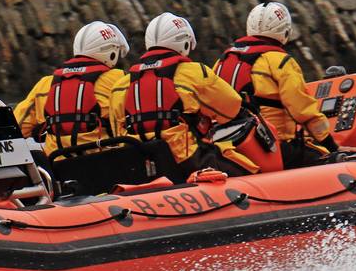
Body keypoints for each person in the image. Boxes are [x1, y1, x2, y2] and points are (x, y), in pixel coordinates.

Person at [109, 12, 258, 179]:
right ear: (183, 42)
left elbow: (117, 133)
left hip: (139, 166)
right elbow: (231, 108)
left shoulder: (120, 85)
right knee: (250, 170)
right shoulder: (195, 72)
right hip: (187, 161)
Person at [213, 2, 356, 168]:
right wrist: (332, 147)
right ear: (284, 31)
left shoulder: (221, 62)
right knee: (337, 159)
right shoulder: (281, 62)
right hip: (274, 147)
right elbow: (303, 110)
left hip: (230, 148)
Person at [13, 21, 129, 156]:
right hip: (107, 164)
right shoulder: (119, 80)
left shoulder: (45, 85)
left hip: (58, 168)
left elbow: (15, 129)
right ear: (111, 52)